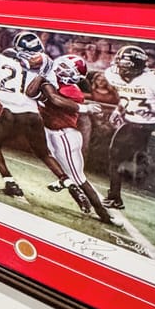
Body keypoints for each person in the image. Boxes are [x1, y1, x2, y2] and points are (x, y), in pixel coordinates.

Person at [0, 30, 89, 206]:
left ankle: (10, 182)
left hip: (10, 114)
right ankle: (71, 185)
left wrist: (6, 90)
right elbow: (48, 94)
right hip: (33, 116)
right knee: (44, 154)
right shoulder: (47, 67)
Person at [41, 55, 118, 224]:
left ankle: (105, 214)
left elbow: (56, 100)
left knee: (78, 178)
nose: (60, 69)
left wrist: (83, 108)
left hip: (64, 135)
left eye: (65, 68)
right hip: (51, 131)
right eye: (61, 66)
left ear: (74, 75)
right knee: (59, 166)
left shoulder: (71, 90)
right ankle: (64, 183)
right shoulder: (54, 81)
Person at [99, 44, 155, 211]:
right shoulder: (112, 74)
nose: (121, 69)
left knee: (153, 167)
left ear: (139, 66)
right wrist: (118, 110)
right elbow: (126, 94)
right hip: (131, 122)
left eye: (126, 66)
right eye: (120, 64)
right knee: (114, 157)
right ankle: (114, 197)